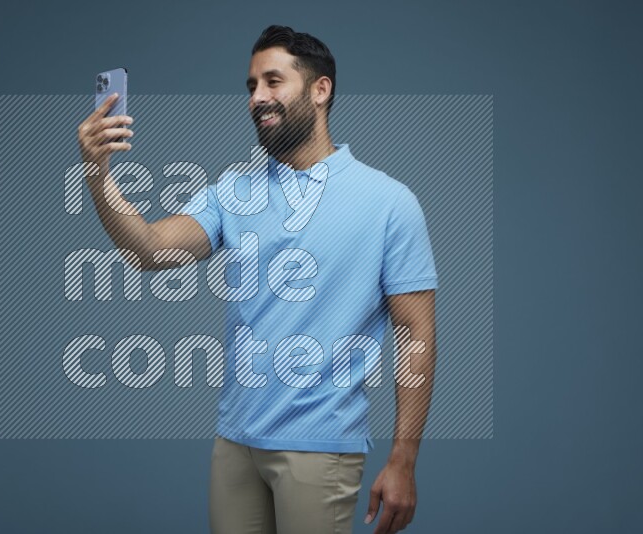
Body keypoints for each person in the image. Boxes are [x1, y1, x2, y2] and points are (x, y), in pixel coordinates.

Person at [77, 24, 438, 534]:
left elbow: (416, 333)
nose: (258, 98)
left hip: (319, 445)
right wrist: (97, 172)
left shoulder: (389, 203)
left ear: (320, 90)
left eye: (273, 81)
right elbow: (149, 250)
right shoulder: (233, 191)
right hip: (236, 444)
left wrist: (403, 460)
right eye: (251, 86)